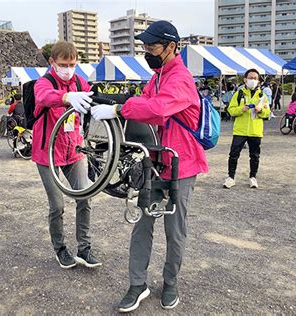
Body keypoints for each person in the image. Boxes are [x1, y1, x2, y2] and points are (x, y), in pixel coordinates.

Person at [91, 20, 208, 312]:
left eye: (152, 47)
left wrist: (118, 108)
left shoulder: (179, 78)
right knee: (143, 223)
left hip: (182, 165)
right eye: (145, 47)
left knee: (175, 228)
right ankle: (137, 284)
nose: (148, 52)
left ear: (171, 47)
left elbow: (157, 109)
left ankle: (170, 283)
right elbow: (143, 103)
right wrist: (104, 100)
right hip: (154, 162)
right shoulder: (157, 77)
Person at [33, 41, 101, 270]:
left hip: (74, 150)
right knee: (57, 205)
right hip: (47, 154)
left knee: (85, 196)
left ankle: (85, 248)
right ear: (52, 62)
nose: (68, 68)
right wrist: (67, 97)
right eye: (63, 64)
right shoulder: (44, 82)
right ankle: (60, 249)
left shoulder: (80, 82)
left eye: (72, 64)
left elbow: (93, 101)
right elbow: (43, 97)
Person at [223, 68, 270, 190]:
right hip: (240, 130)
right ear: (245, 79)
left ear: (259, 81)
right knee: (233, 154)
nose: (252, 80)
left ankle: (253, 177)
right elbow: (230, 110)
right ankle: (231, 177)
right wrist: (241, 109)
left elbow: (267, 113)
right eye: (250, 78)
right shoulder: (238, 94)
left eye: (255, 78)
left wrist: (261, 111)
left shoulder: (262, 96)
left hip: (255, 131)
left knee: (254, 156)